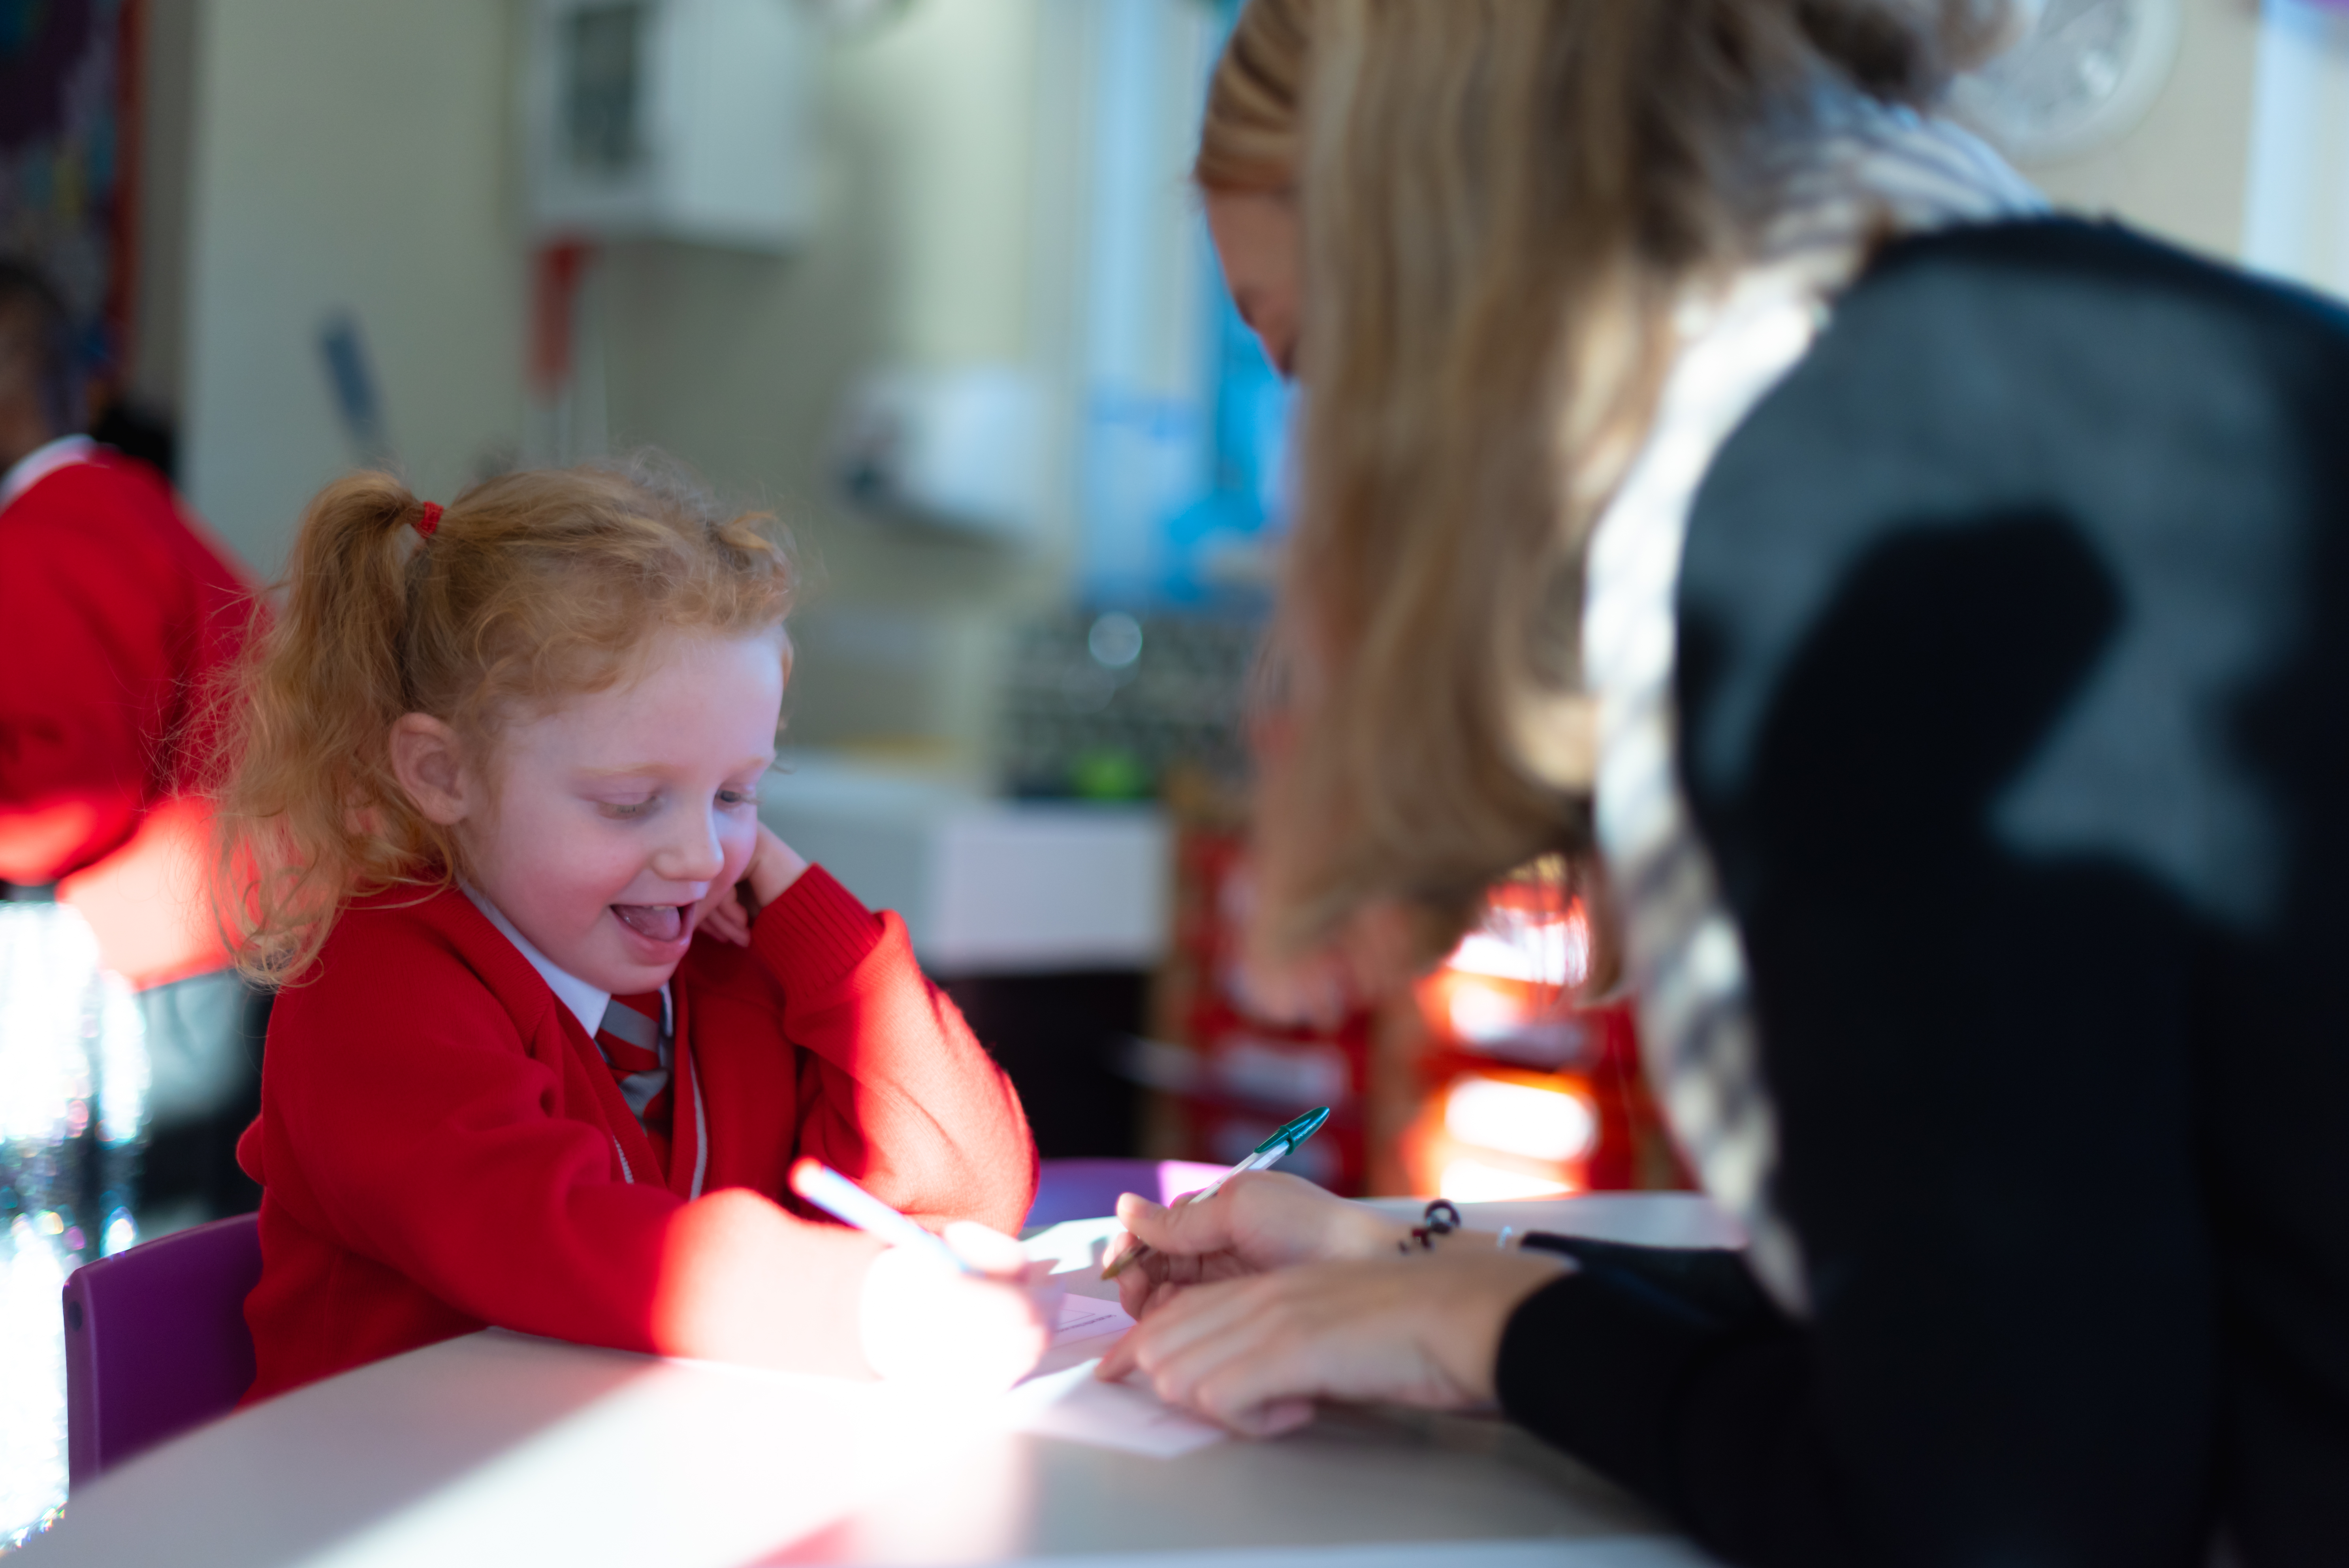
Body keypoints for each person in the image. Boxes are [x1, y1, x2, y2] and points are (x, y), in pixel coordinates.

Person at [1100, 2, 2349, 1564]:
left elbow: (1996, 1512)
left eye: (1310, 358)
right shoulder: (2073, 347)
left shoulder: (1841, 512)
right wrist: (1434, 1263)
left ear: (1436, 290)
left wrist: (1488, 1326)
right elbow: (2011, 1327)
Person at [215, 461, 1049, 1400]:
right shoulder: (377, 988)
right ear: (443, 773)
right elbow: (559, 1232)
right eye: (632, 802)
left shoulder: (727, 962)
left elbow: (971, 1188)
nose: (699, 856)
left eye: (738, 792)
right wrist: (871, 1308)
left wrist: (796, 898)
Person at [0, 258, 264, 1225]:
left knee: (167, 1236)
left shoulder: (49, 527)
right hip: (244, 920)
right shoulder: (127, 499)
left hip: (184, 946)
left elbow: (71, 794)